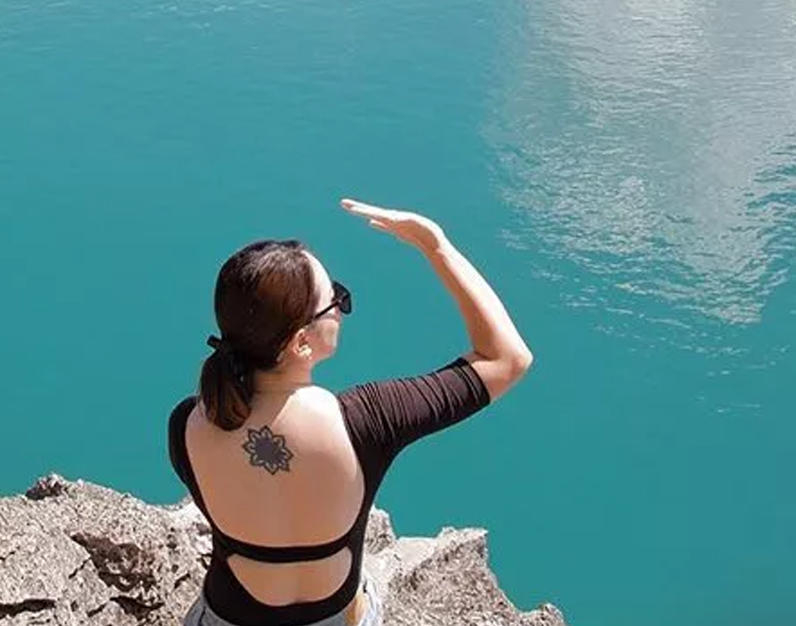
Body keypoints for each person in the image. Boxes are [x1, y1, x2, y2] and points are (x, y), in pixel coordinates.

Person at [168, 198, 534, 626]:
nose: (341, 308)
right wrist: (436, 247)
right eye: (335, 300)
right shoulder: (367, 421)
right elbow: (507, 358)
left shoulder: (187, 427)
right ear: (301, 342)